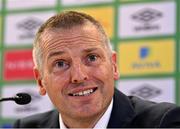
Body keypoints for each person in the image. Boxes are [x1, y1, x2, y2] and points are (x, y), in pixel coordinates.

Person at [14, 11, 180, 128]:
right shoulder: (25, 127)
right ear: (41, 81)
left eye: (92, 58)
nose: (78, 76)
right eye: (60, 64)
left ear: (113, 66)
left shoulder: (163, 122)